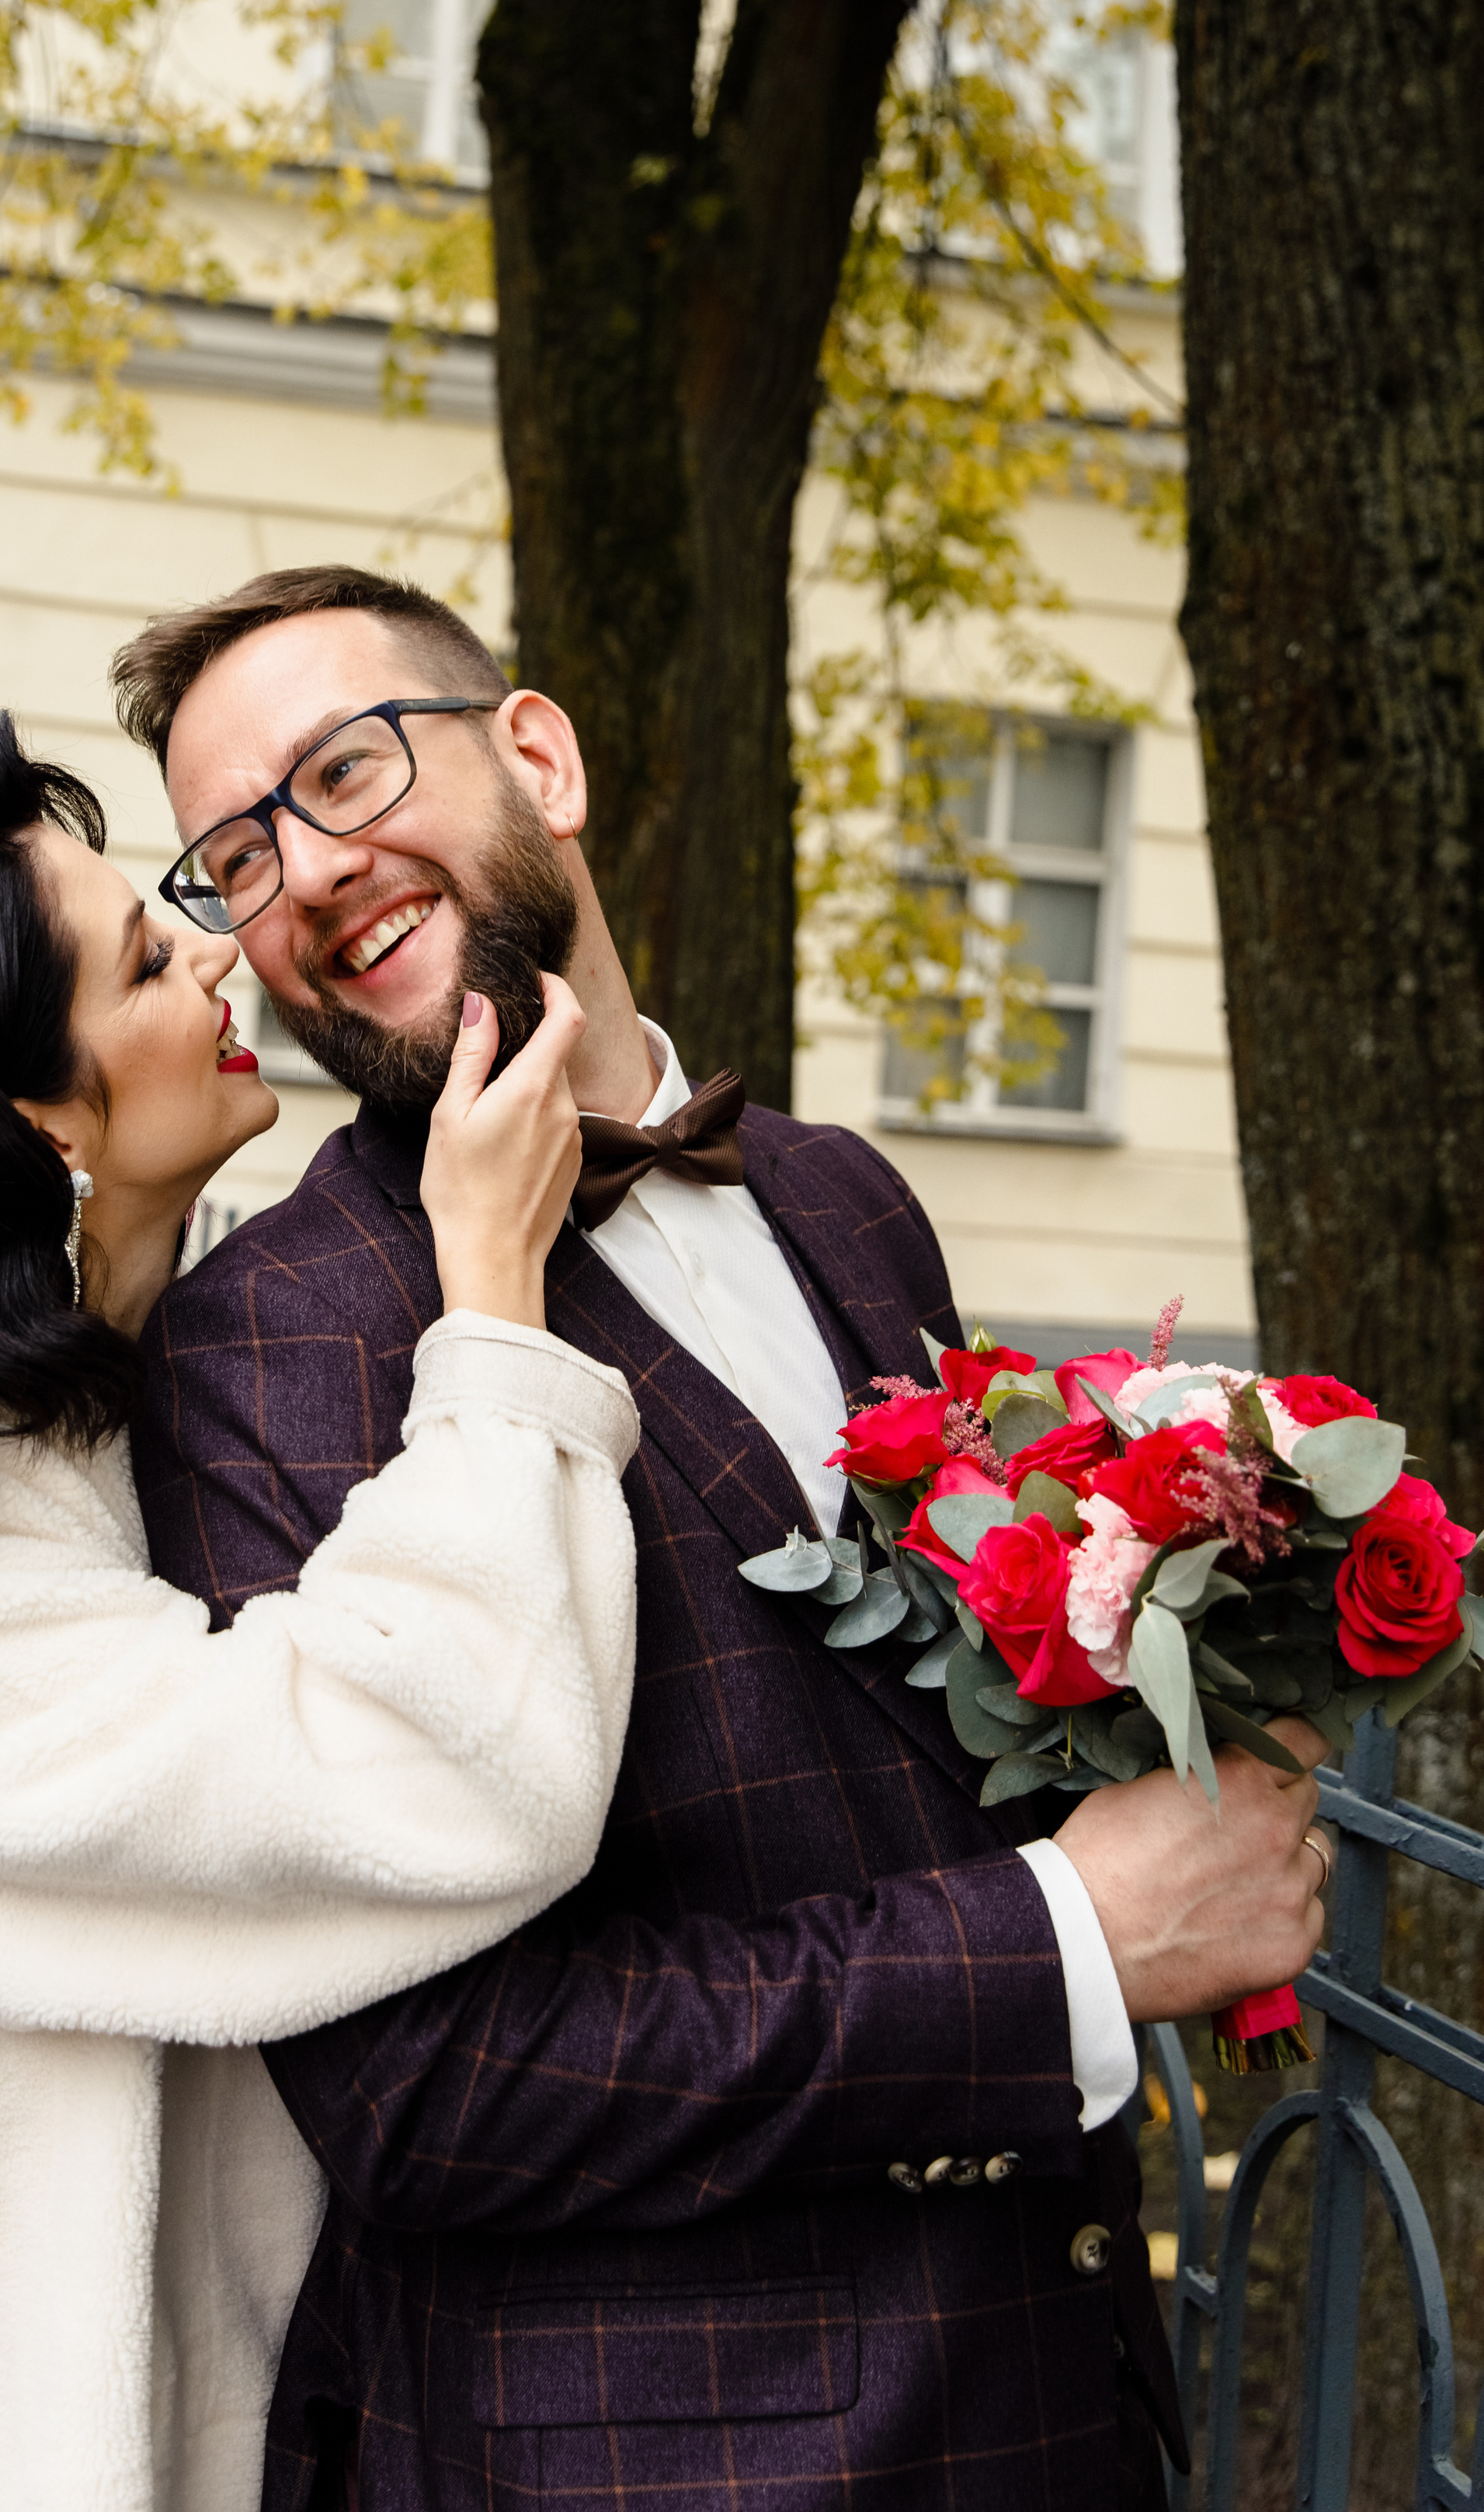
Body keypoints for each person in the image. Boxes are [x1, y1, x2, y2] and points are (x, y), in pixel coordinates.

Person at [115, 567, 1332, 2511]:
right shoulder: (256, 1349)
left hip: (1055, 2400)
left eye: (347, 771)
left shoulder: (848, 1202)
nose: (312, 871)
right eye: (238, 854)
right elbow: (431, 2093)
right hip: (646, 2458)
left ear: (538, 756)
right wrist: (1065, 1944)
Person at [0, 706, 646, 2512]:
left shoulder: (105, 1390)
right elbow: (429, 1768)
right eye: (149, 959)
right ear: (29, 1116)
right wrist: (491, 1305)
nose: (226, 945)